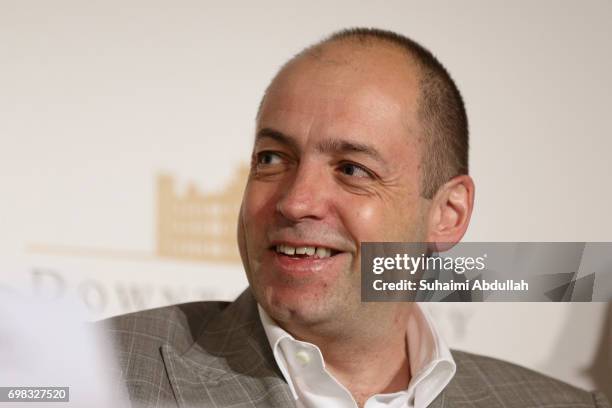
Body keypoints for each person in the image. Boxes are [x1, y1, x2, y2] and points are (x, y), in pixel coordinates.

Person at [103, 28, 610, 408]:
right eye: (273, 158)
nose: (296, 201)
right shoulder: (98, 374)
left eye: (352, 169)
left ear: (448, 215)